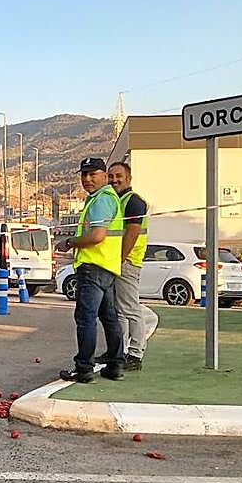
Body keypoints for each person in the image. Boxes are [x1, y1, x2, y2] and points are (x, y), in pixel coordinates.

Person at [55, 157, 125, 382]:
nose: (87, 179)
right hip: (107, 267)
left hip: (94, 267)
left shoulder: (101, 201)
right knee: (109, 317)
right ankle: (115, 365)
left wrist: (70, 242)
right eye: (84, 174)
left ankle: (84, 368)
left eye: (93, 174)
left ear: (104, 175)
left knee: (86, 318)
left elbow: (97, 236)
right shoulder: (105, 199)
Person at [106, 161, 159, 370]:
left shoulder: (134, 201)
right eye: (111, 176)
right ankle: (118, 351)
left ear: (128, 178)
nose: (114, 180)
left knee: (130, 308)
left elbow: (132, 232)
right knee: (119, 310)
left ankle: (136, 354)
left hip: (127, 261)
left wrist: (121, 258)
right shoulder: (116, 200)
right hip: (116, 260)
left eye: (118, 176)